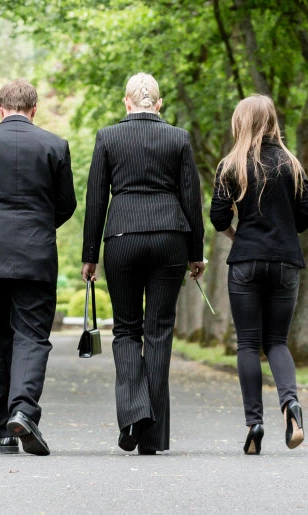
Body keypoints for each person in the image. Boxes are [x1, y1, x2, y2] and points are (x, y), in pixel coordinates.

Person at [81, 73, 205, 455]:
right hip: (170, 236)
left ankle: (135, 412)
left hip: (122, 236)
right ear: (159, 103)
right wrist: (195, 252)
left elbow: (96, 198)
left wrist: (90, 255)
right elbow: (191, 197)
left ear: (127, 102)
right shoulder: (178, 138)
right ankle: (152, 436)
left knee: (126, 331)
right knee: (159, 332)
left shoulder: (108, 137)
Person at [0, 79, 76, 456]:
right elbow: (66, 203)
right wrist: (39, 225)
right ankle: (23, 409)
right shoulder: (55, 146)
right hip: (36, 252)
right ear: (34, 109)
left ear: (0, 108)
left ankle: (4, 429)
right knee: (32, 335)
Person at [210, 94, 308, 455]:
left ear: (241, 122)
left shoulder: (231, 165)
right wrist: (282, 226)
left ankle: (254, 422)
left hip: (246, 263)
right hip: (286, 262)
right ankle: (291, 404)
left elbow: (219, 218)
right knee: (277, 342)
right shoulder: (292, 164)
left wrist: (239, 236)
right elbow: (307, 217)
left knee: (248, 344)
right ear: (272, 121)